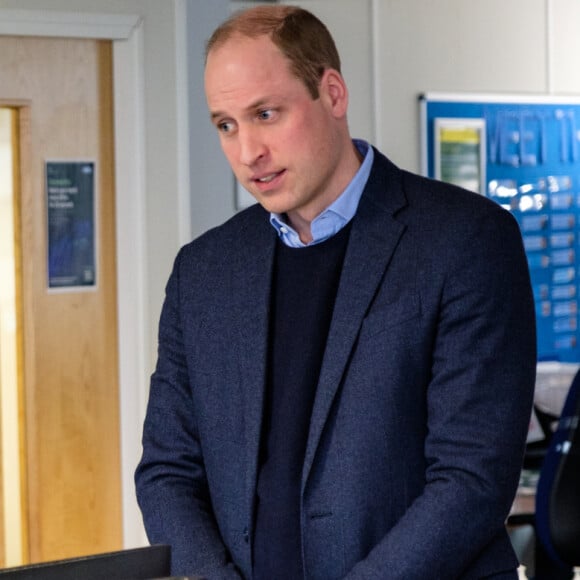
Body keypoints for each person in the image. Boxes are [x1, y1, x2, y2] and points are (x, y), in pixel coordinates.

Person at [135, 5, 537, 579]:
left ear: (332, 92)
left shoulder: (466, 240)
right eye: (225, 125)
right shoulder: (203, 271)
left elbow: (472, 479)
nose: (247, 152)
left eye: (266, 114)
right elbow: (167, 472)